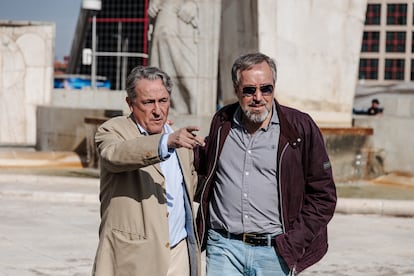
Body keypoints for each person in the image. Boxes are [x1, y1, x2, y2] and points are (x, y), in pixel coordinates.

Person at [194, 52, 337, 275]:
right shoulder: (222, 122)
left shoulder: (300, 128)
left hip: (274, 252)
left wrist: (293, 243)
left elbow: (323, 196)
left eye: (266, 89)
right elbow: (205, 167)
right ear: (236, 90)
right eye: (249, 90)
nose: (258, 97)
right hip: (223, 246)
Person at [92, 65, 205, 276]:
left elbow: (191, 187)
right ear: (130, 103)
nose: (157, 110)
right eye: (148, 102)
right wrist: (165, 142)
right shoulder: (112, 130)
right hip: (133, 259)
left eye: (163, 101)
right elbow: (114, 155)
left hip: (179, 254)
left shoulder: (181, 140)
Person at [148, 0, 199, 114]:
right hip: (165, 12)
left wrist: (195, 4)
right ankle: (170, 105)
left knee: (185, 71)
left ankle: (187, 106)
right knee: (160, 62)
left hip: (184, 15)